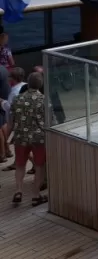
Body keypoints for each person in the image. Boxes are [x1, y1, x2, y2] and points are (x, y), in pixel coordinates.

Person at [11, 71, 47, 206]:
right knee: (39, 166)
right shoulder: (44, 100)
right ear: (40, 85)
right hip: (39, 138)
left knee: (20, 165)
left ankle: (18, 191)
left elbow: (12, 118)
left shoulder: (17, 99)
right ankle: (36, 195)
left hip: (20, 137)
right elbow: (51, 121)